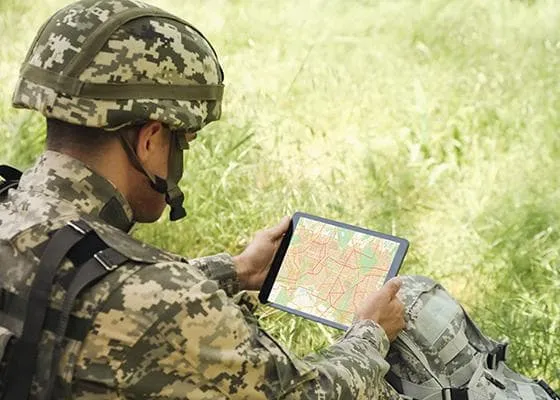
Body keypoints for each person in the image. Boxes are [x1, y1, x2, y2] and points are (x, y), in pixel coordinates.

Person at [0, 0, 406, 398]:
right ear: (150, 140)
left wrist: (237, 270)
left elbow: (73, 283)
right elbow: (306, 393)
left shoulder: (13, 213)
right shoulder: (167, 302)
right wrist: (370, 334)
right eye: (185, 142)